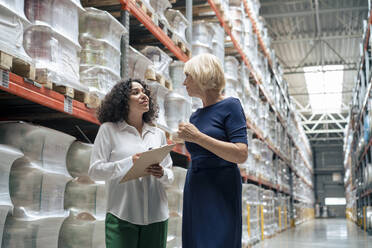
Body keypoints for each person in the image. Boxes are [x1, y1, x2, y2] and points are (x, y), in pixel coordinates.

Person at [88, 79, 174, 248]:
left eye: (144, 92)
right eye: (136, 93)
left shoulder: (157, 134)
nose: (143, 96)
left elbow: (170, 177)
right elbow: (95, 171)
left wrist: (161, 173)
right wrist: (130, 162)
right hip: (122, 215)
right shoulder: (109, 130)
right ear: (123, 102)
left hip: (157, 216)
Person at [177, 53, 248, 248]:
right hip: (196, 184)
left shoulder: (231, 106)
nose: (184, 83)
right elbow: (199, 150)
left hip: (221, 185)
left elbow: (241, 153)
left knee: (219, 240)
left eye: (187, 76)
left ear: (202, 75)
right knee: (195, 241)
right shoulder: (195, 116)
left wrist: (198, 137)